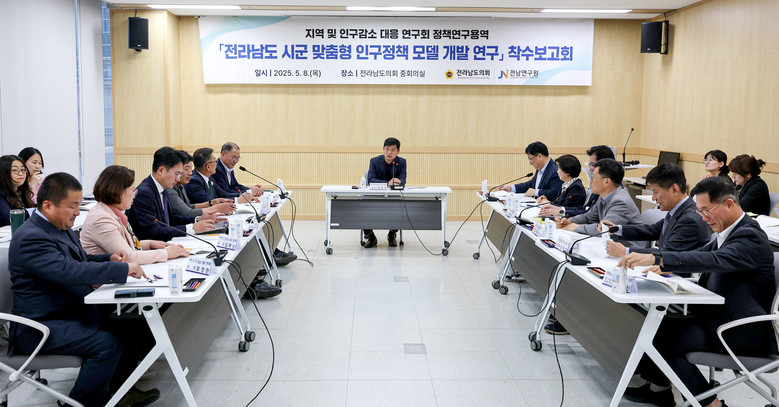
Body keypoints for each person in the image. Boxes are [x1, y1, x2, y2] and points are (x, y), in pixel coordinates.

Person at [618, 176, 777, 407]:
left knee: (665, 341)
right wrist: (664, 264)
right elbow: (703, 252)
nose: (703, 217)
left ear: (729, 204)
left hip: (739, 331)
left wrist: (659, 258)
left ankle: (711, 404)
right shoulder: (730, 231)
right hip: (718, 318)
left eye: (706, 210)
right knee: (658, 326)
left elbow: (714, 259)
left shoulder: (750, 236)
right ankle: (659, 388)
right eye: (699, 211)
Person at [8, 172, 159, 407]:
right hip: (41, 325)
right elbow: (69, 271)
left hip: (69, 311)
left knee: (132, 323)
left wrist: (108, 259)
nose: (78, 212)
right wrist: (122, 269)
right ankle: (82, 402)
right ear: (47, 206)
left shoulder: (58, 226)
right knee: (106, 344)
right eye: (73, 206)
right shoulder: (31, 237)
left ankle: (120, 392)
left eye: (79, 205)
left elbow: (79, 260)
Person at [80, 165, 190, 264]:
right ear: (118, 191)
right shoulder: (101, 219)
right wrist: (166, 253)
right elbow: (129, 257)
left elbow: (124, 246)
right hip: (105, 278)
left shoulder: (112, 212)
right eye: (132, 190)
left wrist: (148, 244)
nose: (134, 195)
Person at [603, 163, 710, 258]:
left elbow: (666, 254)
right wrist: (617, 229)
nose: (653, 198)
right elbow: (652, 230)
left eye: (655, 192)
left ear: (674, 190)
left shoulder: (690, 219)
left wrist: (625, 251)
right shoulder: (679, 210)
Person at [127, 146, 216, 241]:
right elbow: (153, 231)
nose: (178, 179)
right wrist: (192, 228)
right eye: (177, 174)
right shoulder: (145, 193)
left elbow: (170, 220)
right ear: (161, 171)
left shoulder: (163, 187)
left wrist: (198, 219)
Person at [556, 158, 647, 248]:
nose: (591, 181)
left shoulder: (620, 202)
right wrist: (569, 221)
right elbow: (588, 216)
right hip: (611, 244)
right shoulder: (605, 195)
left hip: (629, 249)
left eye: (593, 177)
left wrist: (575, 227)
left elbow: (604, 229)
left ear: (606, 181)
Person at [363, 137, 407, 249]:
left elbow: (403, 180)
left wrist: (399, 182)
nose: (389, 152)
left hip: (393, 197)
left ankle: (392, 234)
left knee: (400, 208)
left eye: (393, 150)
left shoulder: (402, 162)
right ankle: (371, 236)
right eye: (387, 149)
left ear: (398, 151)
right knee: (363, 207)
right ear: (383, 149)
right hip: (375, 196)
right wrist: (388, 183)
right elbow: (370, 180)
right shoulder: (374, 161)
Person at [168, 150, 235, 218]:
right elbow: (187, 213)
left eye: (190, 169)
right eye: (186, 169)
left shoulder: (180, 184)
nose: (190, 173)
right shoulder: (172, 188)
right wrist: (217, 208)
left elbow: (187, 206)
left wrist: (211, 203)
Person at [184, 147, 256, 205]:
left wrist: (244, 196)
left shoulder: (210, 178)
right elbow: (210, 202)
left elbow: (223, 194)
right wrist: (237, 201)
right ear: (208, 166)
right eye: (215, 161)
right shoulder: (194, 181)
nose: (217, 163)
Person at [497, 141, 563, 201]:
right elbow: (531, 184)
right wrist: (511, 188)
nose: (530, 163)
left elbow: (555, 193)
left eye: (530, 159)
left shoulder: (555, 171)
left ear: (539, 156)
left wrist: (536, 192)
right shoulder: (541, 168)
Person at [563, 145, 617, 217]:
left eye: (593, 164)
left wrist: (562, 211)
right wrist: (561, 211)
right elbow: (586, 211)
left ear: (605, 165)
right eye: (590, 164)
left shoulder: (613, 195)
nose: (590, 169)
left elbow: (590, 216)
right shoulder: (598, 186)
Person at [0, 155, 34, 227]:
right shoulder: (1, 194)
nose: (21, 173)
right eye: (15, 170)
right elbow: (9, 219)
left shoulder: (21, 192)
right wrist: (32, 212)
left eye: (23, 169)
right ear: (4, 172)